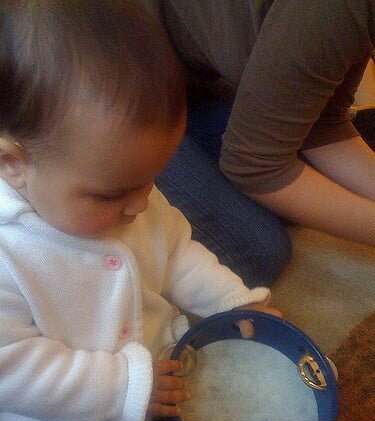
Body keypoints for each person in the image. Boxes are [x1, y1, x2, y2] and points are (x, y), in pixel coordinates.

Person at [0, 1, 280, 421]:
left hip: (157, 381)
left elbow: (175, 251)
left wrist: (231, 300)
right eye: (112, 194)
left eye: (151, 180)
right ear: (12, 164)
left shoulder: (124, 187)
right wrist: (121, 388)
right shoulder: (9, 251)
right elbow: (12, 368)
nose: (141, 205)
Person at [136, 0, 375, 288]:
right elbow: (254, 166)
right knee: (256, 253)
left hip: (193, 85)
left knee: (301, 170)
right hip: (127, 92)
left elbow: (323, 123)